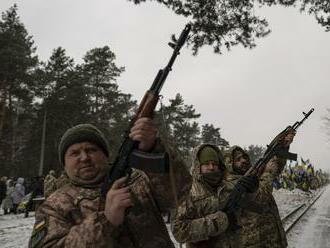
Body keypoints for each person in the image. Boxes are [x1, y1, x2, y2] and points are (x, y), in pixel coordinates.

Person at [29, 119, 191, 248]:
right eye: (74, 153)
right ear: (64, 164)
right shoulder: (55, 205)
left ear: (106, 155)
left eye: (91, 150)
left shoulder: (137, 181)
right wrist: (106, 220)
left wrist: (153, 148)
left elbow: (180, 194)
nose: (84, 157)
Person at [172, 144, 258, 248]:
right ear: (198, 165)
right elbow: (179, 230)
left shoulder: (228, 186)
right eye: (206, 164)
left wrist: (251, 190)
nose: (211, 167)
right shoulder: (188, 192)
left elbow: (248, 211)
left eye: (214, 163)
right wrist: (220, 221)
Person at [223, 130, 295, 248]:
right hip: (255, 242)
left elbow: (277, 166)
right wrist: (268, 172)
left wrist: (284, 147)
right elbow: (261, 199)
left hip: (272, 240)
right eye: (238, 159)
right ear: (229, 164)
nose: (244, 161)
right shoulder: (232, 185)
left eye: (244, 157)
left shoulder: (253, 176)